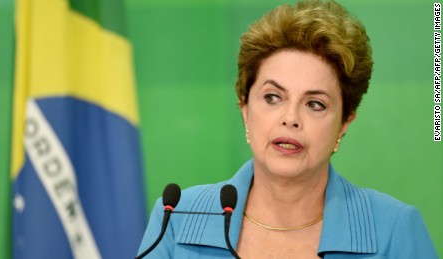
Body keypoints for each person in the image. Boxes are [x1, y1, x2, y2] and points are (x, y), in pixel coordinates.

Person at [137, 0, 438, 258]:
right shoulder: (176, 216)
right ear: (244, 108)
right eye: (273, 97)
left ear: (345, 123)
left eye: (315, 104)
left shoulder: (393, 230)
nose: (290, 118)